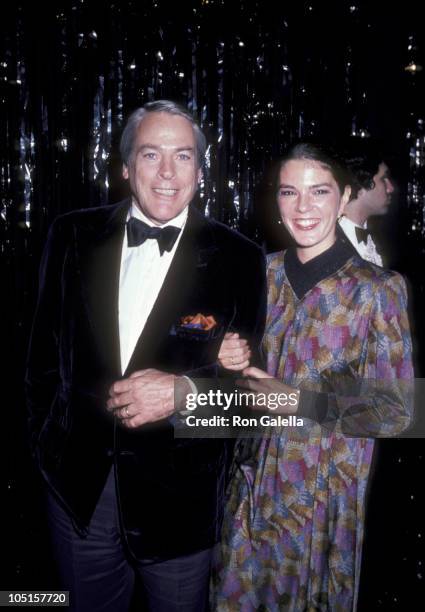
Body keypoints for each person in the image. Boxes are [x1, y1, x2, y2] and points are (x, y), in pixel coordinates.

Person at [25, 100, 266, 612]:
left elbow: (250, 402)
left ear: (200, 173)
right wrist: (49, 457)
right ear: (125, 166)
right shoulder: (70, 235)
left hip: (180, 505)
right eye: (150, 154)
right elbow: (39, 365)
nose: (165, 173)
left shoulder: (240, 257)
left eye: (182, 157)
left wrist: (186, 392)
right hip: (78, 495)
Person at [212, 143, 413, 611]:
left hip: (326, 504)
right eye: (289, 192)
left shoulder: (378, 289)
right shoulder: (257, 274)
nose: (302, 208)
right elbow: (224, 392)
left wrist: (300, 401)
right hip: (249, 493)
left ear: (344, 197)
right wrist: (220, 355)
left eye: (318, 192)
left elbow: (398, 412)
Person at [338, 138, 395, 266]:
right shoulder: (329, 241)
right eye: (384, 179)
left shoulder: (379, 239)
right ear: (362, 183)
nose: (391, 188)